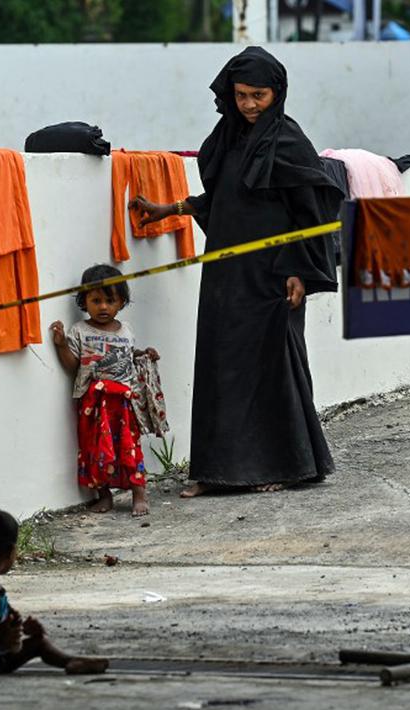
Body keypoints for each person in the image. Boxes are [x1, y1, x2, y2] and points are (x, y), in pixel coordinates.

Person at [131, 46, 343, 498]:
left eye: (259, 96)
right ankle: (217, 472)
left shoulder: (288, 141)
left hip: (273, 276)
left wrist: (298, 271)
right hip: (225, 272)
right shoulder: (228, 137)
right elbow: (228, 199)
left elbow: (310, 213)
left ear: (277, 93)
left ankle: (288, 465)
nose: (249, 104)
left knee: (273, 367)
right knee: (220, 364)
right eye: (242, 95)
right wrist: (169, 209)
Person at [0, 508, 108, 676]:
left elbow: (3, 621)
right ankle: (1, 648)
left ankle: (71, 661)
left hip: (2, 659)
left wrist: (20, 628)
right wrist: (0, 635)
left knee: (39, 642)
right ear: (10, 552)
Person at [50, 264, 159, 517]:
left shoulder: (126, 330)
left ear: (121, 302)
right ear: (84, 301)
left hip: (123, 402)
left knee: (130, 446)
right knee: (95, 449)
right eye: (95, 300)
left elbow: (129, 356)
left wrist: (144, 354)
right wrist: (60, 345)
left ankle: (138, 493)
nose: (103, 307)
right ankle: (104, 495)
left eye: (110, 301)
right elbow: (72, 366)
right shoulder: (80, 331)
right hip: (93, 404)